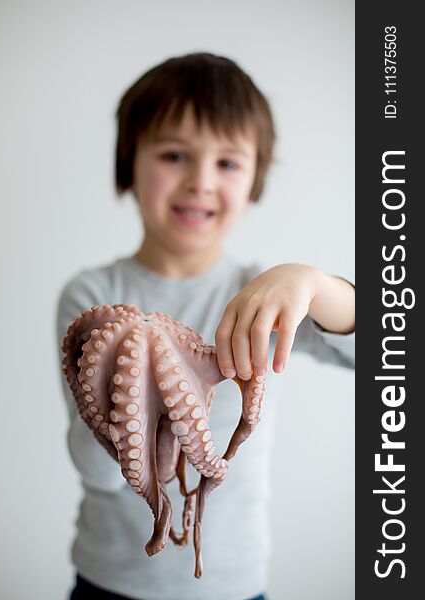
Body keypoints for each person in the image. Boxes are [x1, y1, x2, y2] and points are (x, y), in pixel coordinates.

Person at [56, 52, 355, 600]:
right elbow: (96, 469)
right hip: (109, 579)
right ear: (129, 163)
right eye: (175, 154)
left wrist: (314, 283)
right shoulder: (92, 296)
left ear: (255, 179)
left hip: (234, 584)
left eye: (228, 163)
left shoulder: (262, 297)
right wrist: (132, 391)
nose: (199, 181)